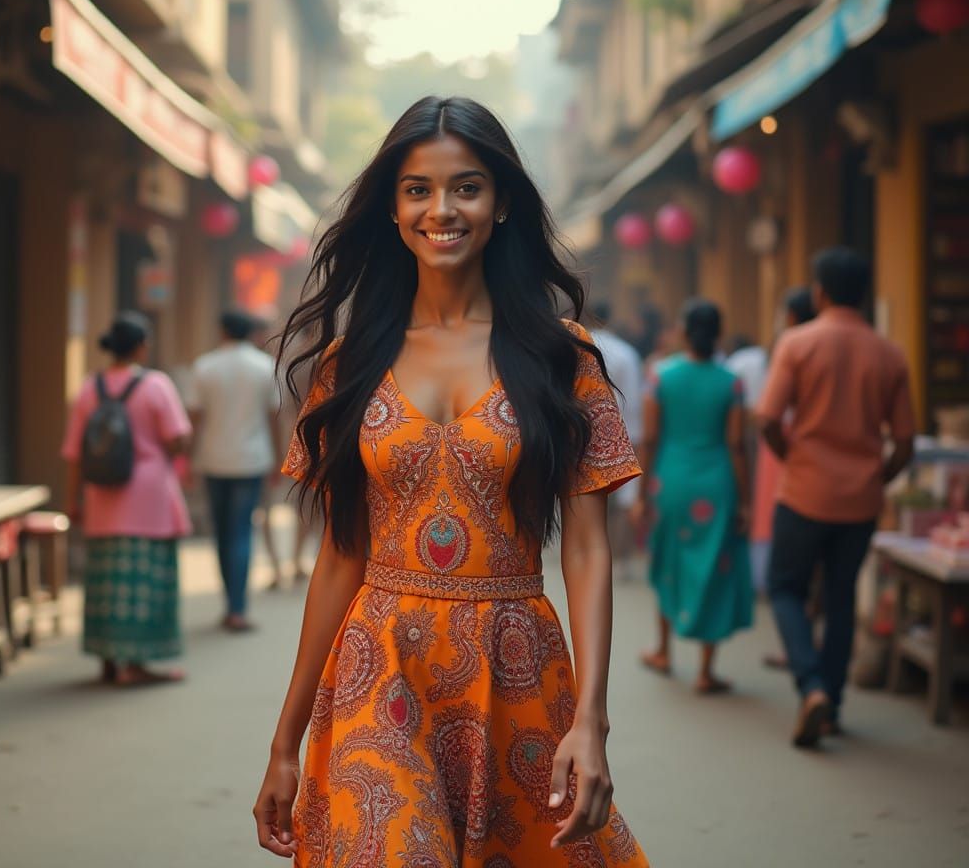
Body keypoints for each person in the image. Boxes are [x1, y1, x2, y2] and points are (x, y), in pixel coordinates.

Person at [253, 96, 648, 865]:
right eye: (418, 190)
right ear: (394, 210)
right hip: (379, 668)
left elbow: (589, 551)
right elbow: (338, 556)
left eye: (467, 187)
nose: (442, 209)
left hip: (518, 665)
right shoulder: (349, 362)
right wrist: (284, 742)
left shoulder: (560, 356)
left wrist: (591, 722)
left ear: (501, 203)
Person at [759, 247, 915, 747]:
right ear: (864, 294)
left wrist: (792, 458)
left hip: (804, 490)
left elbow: (767, 418)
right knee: (842, 595)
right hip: (860, 501)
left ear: (820, 291)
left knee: (786, 588)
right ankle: (833, 701)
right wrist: (878, 477)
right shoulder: (890, 354)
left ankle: (811, 687)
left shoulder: (798, 342)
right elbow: (906, 440)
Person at [61, 311, 192, 686]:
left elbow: (73, 453)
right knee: (145, 584)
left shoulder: (89, 388)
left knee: (103, 583)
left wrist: (74, 500)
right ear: (140, 346)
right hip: (149, 499)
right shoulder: (156, 386)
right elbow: (176, 437)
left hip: (102, 498)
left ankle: (107, 658)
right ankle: (135, 664)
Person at [639, 299, 753, 694]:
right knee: (714, 568)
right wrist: (745, 500)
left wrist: (640, 493)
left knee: (669, 557)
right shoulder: (731, 383)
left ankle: (664, 651)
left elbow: (650, 439)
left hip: (672, 482)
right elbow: (737, 445)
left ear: (684, 332)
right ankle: (706, 671)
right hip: (716, 484)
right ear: (718, 334)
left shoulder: (660, 377)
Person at [189, 309, 281, 632]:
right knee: (242, 531)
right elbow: (274, 419)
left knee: (223, 532)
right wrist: (280, 458)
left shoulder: (205, 366)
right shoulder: (264, 367)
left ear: (223, 331)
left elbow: (195, 419)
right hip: (252, 459)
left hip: (213, 458)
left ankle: (230, 602)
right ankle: (238, 608)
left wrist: (189, 458)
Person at [750, 287, 816, 595]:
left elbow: (769, 414)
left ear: (789, 316)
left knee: (777, 512)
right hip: (814, 449)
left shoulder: (789, 346)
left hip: (787, 444)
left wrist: (782, 450)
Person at [588, 301, 645, 579]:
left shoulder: (576, 346)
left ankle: (593, 554)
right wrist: (635, 437)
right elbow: (632, 400)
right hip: (620, 430)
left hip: (583, 436)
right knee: (623, 498)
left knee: (591, 498)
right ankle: (620, 558)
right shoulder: (626, 353)